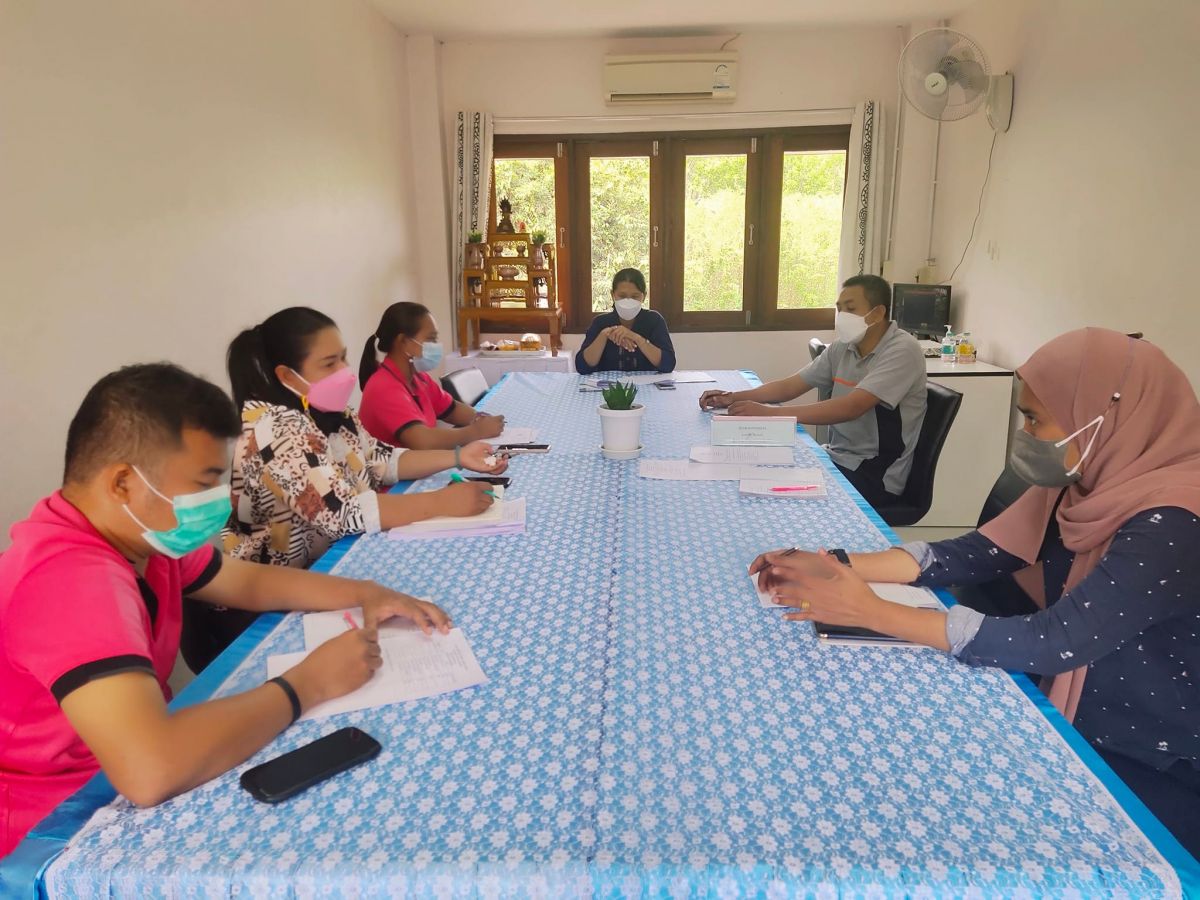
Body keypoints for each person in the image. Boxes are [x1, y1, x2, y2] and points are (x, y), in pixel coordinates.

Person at [750, 328, 1200, 856]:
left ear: (1103, 418)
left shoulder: (1173, 521)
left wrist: (872, 612)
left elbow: (1056, 640)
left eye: (1034, 419)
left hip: (1145, 754)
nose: (1024, 434)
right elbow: (980, 551)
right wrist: (838, 563)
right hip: (1067, 703)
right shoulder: (1090, 479)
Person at [0, 363, 454, 857]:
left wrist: (365, 592)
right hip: (55, 826)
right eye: (203, 484)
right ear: (123, 484)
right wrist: (309, 684)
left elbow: (249, 582)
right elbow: (150, 769)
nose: (218, 503)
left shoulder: (141, 538)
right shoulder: (70, 580)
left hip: (124, 765)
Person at [194, 307, 504, 672]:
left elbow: (382, 460)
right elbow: (342, 514)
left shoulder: (332, 414)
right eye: (329, 363)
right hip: (264, 601)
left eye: (342, 358)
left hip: (324, 570)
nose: (344, 372)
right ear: (287, 375)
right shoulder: (272, 428)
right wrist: (441, 501)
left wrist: (457, 456)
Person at [700, 275, 925, 507]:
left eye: (851, 309)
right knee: (754, 468)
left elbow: (852, 407)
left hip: (876, 474)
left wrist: (769, 414)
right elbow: (790, 386)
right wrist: (731, 397)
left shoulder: (902, 350)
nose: (843, 316)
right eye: (839, 309)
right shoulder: (843, 347)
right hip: (836, 456)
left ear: (877, 313)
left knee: (772, 493)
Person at [359, 302, 505, 449]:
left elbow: (452, 410)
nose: (436, 345)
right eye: (430, 339)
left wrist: (481, 418)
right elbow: (422, 441)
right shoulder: (383, 387)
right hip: (398, 464)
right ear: (403, 341)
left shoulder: (419, 379)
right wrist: (477, 431)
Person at [574, 268, 676, 375]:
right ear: (613, 295)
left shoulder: (654, 320)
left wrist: (637, 338)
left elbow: (668, 364)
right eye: (622, 296)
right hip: (609, 385)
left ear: (644, 296)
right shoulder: (600, 322)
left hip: (647, 384)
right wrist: (604, 335)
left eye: (635, 296)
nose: (628, 301)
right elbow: (582, 367)